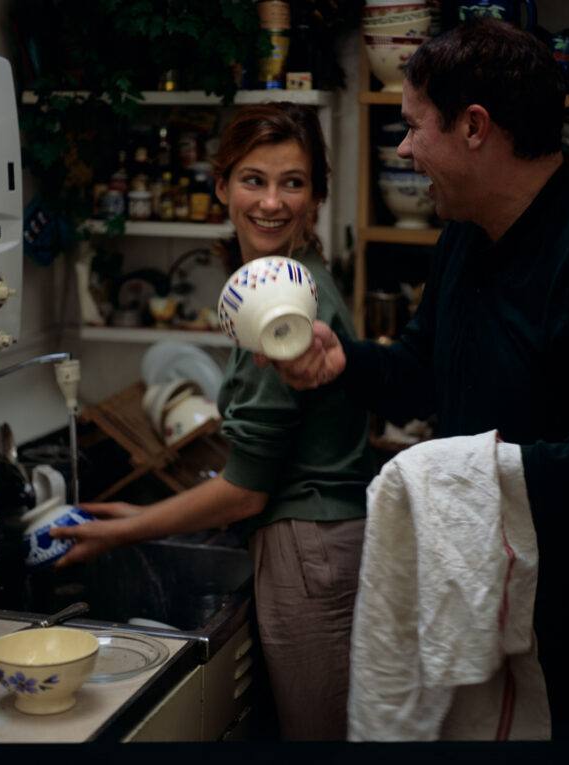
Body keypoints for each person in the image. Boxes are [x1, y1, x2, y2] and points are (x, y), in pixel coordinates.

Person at [266, 19, 569, 740]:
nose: (407, 148)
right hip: (481, 607)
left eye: (415, 127)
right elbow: (421, 374)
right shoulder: (462, 237)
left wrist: (500, 474)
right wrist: (341, 360)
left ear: (475, 127)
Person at [50, 102, 376, 741]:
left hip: (308, 546)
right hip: (326, 541)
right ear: (222, 185)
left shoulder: (281, 300)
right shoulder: (291, 279)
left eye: (294, 182)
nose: (272, 202)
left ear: (316, 197)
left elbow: (246, 488)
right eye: (254, 179)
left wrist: (128, 530)